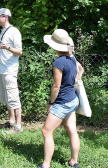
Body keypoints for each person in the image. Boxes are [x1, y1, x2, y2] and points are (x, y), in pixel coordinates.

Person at [38, 29, 84, 168]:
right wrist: (77, 78)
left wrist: (51, 103)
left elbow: (56, 87)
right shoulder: (72, 58)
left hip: (63, 102)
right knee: (72, 130)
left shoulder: (59, 62)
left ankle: (46, 165)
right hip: (73, 100)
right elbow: (81, 69)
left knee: (46, 131)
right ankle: (74, 161)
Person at [0, 8, 23, 134]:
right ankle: (11, 122)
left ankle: (18, 126)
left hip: (10, 70)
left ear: (5, 17)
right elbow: (1, 52)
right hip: (1, 69)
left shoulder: (14, 31)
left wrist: (8, 47)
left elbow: (20, 52)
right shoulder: (3, 31)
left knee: (14, 98)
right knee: (5, 97)